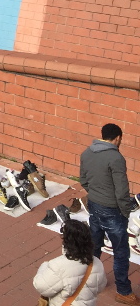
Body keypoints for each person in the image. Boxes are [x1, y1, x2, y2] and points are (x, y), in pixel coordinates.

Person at [80, 123, 139, 303]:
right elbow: (122, 190)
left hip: (94, 205)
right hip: (113, 210)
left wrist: (95, 194)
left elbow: (83, 180)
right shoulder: (116, 158)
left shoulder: (86, 153)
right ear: (118, 138)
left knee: (94, 245)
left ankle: (91, 280)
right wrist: (125, 211)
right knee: (121, 252)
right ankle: (123, 291)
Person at [33, 219, 106, 306]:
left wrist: (44, 266)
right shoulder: (97, 263)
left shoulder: (58, 265)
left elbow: (41, 286)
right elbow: (101, 286)